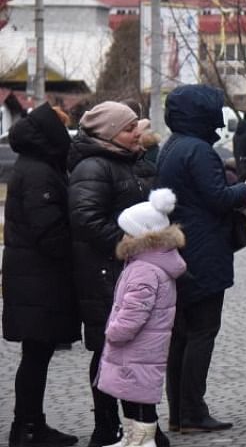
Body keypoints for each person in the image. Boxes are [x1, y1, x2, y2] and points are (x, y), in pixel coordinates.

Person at [156, 84, 246, 433]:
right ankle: (193, 411)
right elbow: (217, 197)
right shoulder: (198, 150)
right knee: (201, 332)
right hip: (203, 251)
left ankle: (179, 413)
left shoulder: (173, 146)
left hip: (183, 249)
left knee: (182, 334)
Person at [68, 101, 160, 447]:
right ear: (109, 134)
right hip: (106, 274)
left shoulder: (132, 162)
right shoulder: (93, 167)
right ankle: (107, 429)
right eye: (129, 128)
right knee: (109, 353)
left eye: (137, 125)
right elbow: (87, 220)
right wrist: (133, 245)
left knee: (137, 353)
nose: (138, 132)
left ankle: (142, 428)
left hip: (133, 273)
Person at [4, 104, 79, 447]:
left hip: (35, 278)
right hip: (39, 279)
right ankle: (28, 428)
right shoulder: (39, 173)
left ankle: (30, 424)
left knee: (37, 354)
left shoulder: (37, 167)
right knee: (36, 355)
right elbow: (48, 232)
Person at [95, 189, 186, 447]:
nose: (122, 236)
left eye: (127, 232)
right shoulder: (147, 263)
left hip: (136, 345)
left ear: (142, 235)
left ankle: (144, 441)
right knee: (132, 393)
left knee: (139, 397)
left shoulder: (144, 269)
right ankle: (131, 437)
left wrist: (114, 331)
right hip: (142, 347)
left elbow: (135, 311)